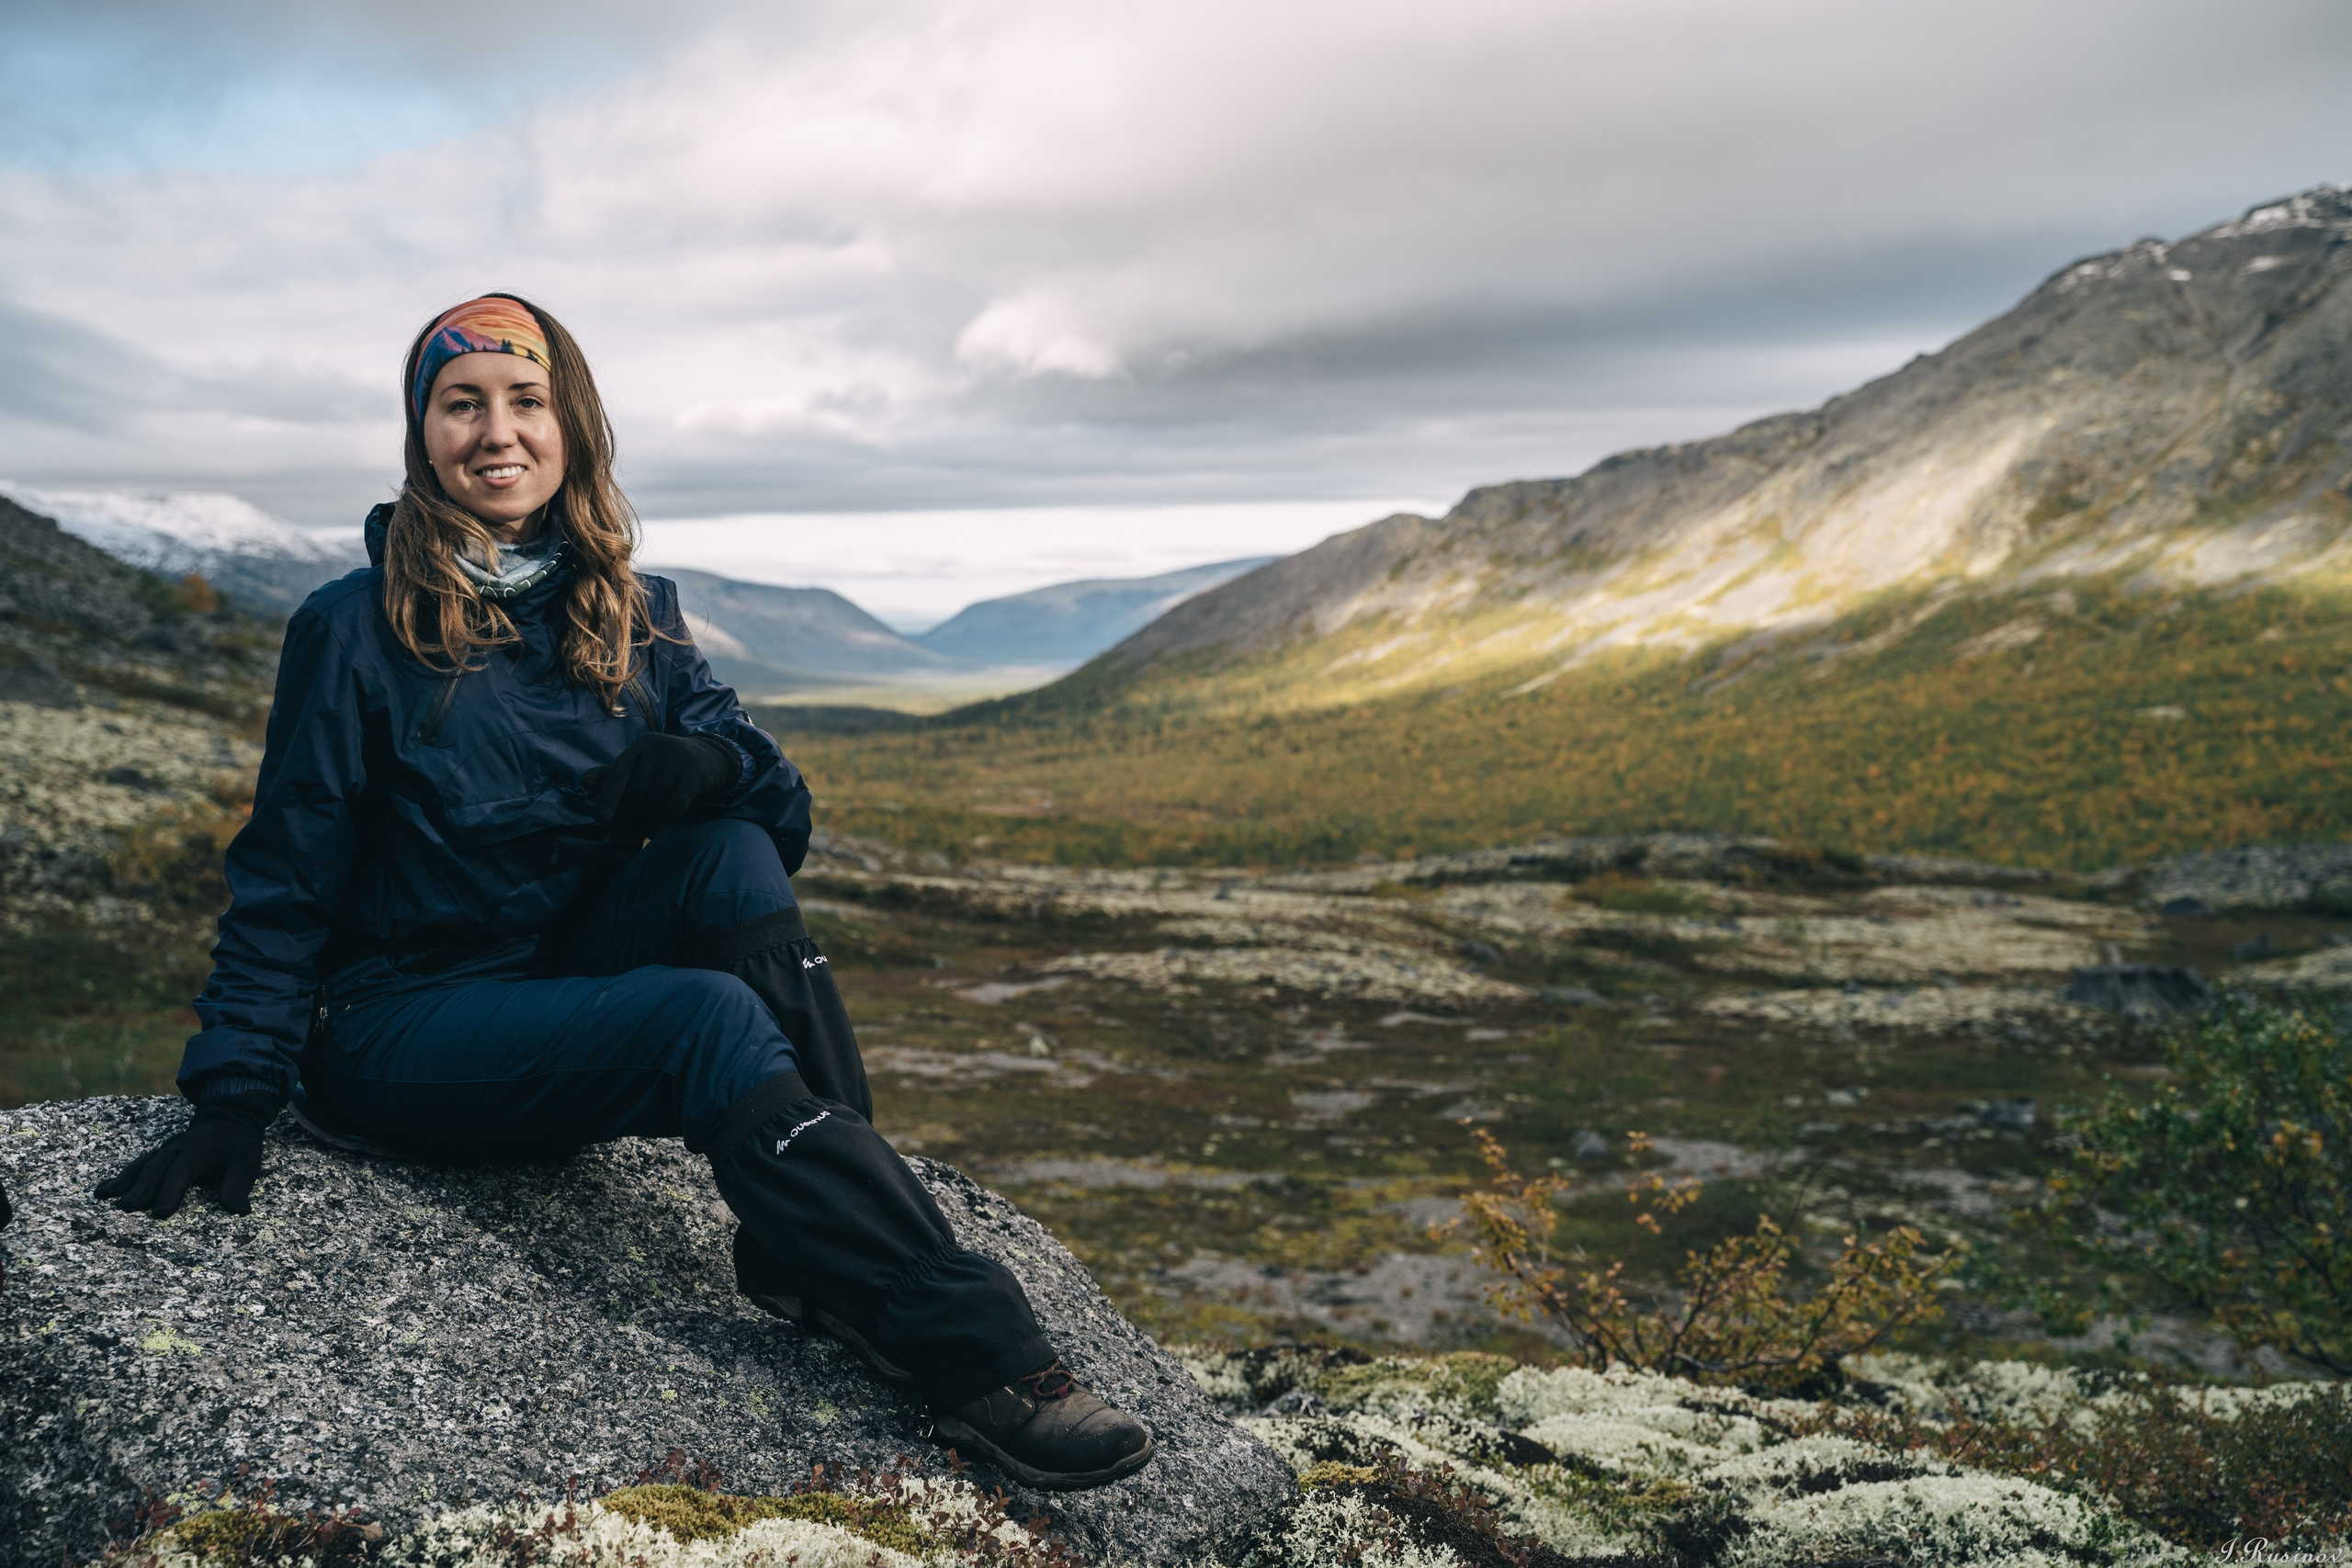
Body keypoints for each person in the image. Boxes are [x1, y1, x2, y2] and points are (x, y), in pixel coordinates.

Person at [94, 294, 1152, 1492]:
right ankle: (978, 1357)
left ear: (573, 425)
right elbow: (286, 874)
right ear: (422, 432)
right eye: (462, 404)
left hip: (555, 985)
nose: (497, 433)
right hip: (399, 1030)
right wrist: (233, 1095)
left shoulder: (634, 614)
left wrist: (713, 766)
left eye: (527, 401)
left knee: (730, 855)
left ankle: (817, 1256)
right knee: (700, 1018)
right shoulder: (351, 630)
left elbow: (782, 818)